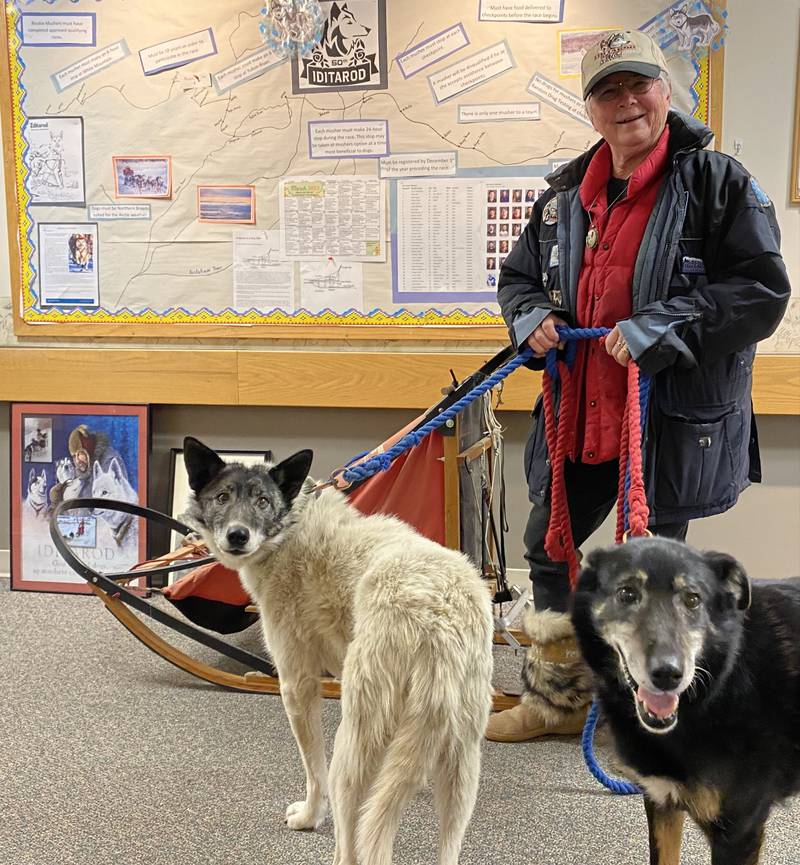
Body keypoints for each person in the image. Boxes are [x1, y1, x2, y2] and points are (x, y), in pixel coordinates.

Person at [486, 29, 790, 743]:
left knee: (654, 566)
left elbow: (760, 291)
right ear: (590, 108)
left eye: (638, 84)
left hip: (666, 419)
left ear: (664, 90)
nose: (626, 102)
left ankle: (653, 707)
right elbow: (519, 280)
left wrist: (661, 326)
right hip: (581, 415)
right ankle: (561, 700)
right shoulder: (564, 197)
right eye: (607, 90)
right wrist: (530, 318)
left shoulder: (719, 184)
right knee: (548, 547)